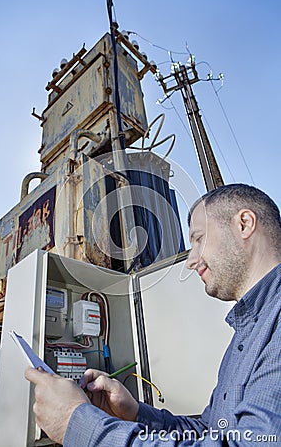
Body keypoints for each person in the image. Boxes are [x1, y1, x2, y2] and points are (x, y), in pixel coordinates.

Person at [25, 183, 281, 446]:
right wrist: (135, 413)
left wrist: (77, 424)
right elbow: (210, 432)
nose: (191, 260)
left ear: (245, 224)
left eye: (199, 239)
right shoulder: (248, 333)